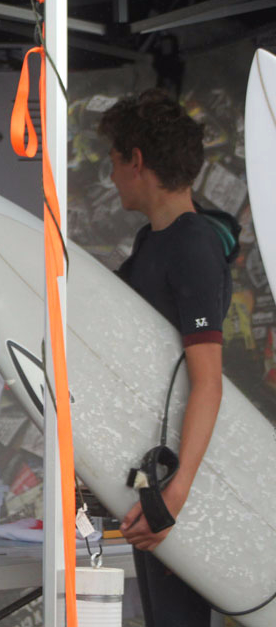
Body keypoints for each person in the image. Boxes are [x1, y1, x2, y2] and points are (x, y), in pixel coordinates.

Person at [99, 89, 239, 627]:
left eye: (115, 162)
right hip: (159, 467)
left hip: (187, 480)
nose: (111, 177)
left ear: (137, 161)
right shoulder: (152, 241)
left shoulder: (193, 244)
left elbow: (208, 382)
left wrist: (175, 496)